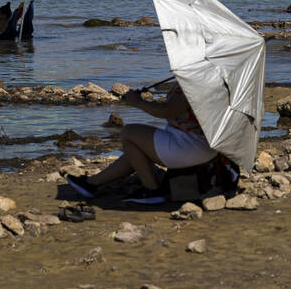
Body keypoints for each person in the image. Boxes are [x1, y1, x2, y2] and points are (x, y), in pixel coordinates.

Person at [65, 81, 216, 205]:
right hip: (199, 144)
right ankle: (91, 184)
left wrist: (138, 103)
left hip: (189, 146)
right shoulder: (207, 79)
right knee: (136, 149)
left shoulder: (194, 83)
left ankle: (152, 190)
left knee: (129, 133)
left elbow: (167, 111)